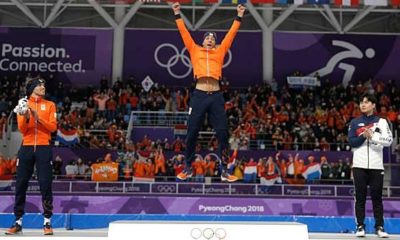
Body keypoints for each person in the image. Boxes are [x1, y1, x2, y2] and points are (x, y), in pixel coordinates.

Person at [171, 2, 245, 182]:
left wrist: (239, 16)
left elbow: (231, 35)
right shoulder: (194, 49)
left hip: (217, 97)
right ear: (203, 40)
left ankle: (225, 170)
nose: (210, 39)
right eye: (207, 37)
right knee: (191, 133)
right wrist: (177, 13)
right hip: (199, 95)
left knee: (223, 134)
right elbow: (184, 33)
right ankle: (188, 168)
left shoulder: (220, 51)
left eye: (212, 37)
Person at [5, 78, 57, 235]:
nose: (43, 87)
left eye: (43, 84)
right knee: (21, 184)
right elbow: (22, 130)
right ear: (32, 88)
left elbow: (53, 128)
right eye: (40, 85)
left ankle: (47, 222)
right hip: (26, 148)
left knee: (45, 185)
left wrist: (37, 116)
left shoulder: (50, 105)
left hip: (44, 147)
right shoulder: (23, 103)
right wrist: (26, 116)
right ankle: (18, 221)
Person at [348, 93, 392, 238]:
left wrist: (373, 136)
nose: (363, 104)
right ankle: (360, 226)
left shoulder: (382, 122)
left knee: (377, 198)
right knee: (359, 197)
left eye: (366, 102)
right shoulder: (355, 122)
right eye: (361, 102)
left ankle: (379, 227)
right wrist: (363, 136)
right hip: (359, 165)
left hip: (376, 165)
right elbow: (352, 142)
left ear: (373, 105)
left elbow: (388, 141)